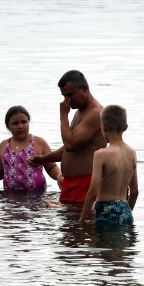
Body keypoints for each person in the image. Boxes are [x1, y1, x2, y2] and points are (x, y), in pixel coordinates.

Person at [29, 70, 107, 204]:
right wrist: (44, 158)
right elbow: (68, 146)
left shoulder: (95, 113)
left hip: (85, 183)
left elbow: (71, 145)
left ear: (84, 89)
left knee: (81, 224)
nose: (67, 100)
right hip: (70, 183)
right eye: (64, 96)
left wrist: (63, 115)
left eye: (70, 95)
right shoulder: (80, 112)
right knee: (68, 223)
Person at [0, 105, 62, 191]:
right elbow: (0, 172)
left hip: (36, 197)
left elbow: (51, 167)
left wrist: (59, 176)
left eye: (24, 122)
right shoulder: (4, 145)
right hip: (10, 198)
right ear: (8, 127)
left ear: (28, 122)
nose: (20, 126)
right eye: (15, 123)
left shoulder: (39, 142)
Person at [80, 105, 138, 226]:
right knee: (122, 245)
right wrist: (127, 211)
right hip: (125, 210)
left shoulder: (101, 154)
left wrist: (82, 221)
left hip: (106, 212)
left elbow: (92, 192)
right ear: (126, 127)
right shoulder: (132, 153)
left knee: (103, 244)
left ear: (104, 127)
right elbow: (135, 191)